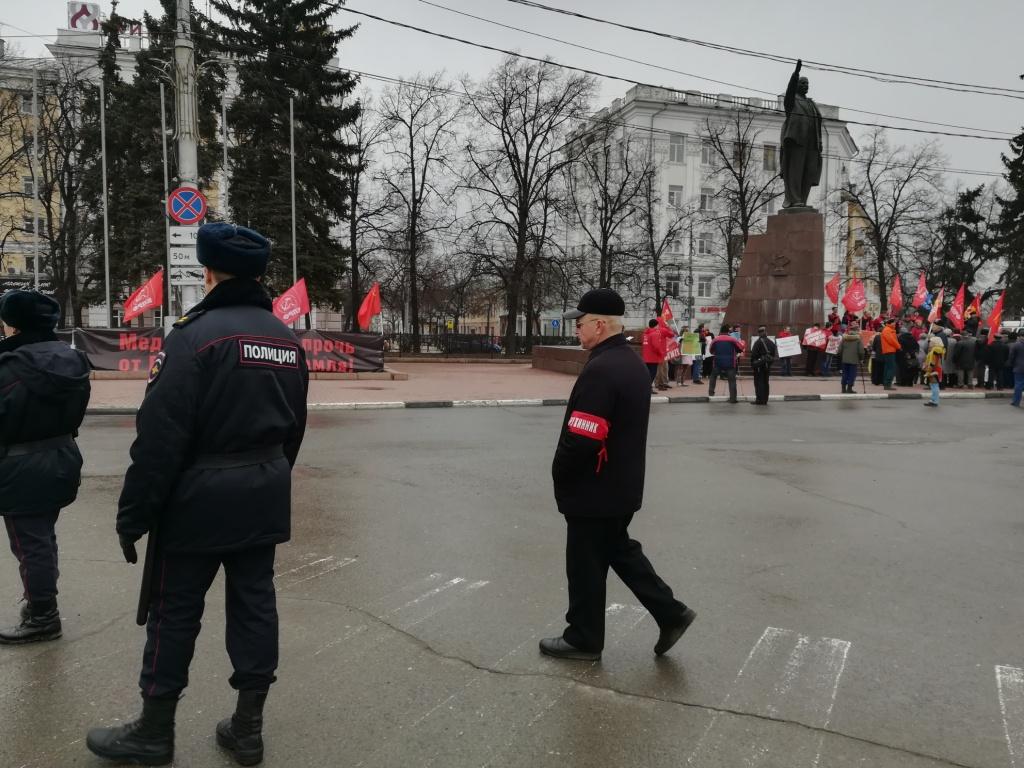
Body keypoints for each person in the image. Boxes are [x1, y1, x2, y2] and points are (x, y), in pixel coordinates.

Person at [86, 224, 310, 767]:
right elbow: (294, 429)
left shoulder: (193, 336)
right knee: (255, 605)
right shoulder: (287, 340)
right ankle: (247, 729)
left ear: (208, 270)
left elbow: (160, 437)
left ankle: (154, 732)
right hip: (263, 492)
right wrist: (267, 476)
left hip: (197, 500)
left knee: (175, 612)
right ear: (259, 273)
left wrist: (133, 514)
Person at [543, 287, 695, 662]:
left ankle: (583, 638)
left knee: (584, 567)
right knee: (618, 551)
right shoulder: (627, 362)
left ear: (598, 324)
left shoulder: (602, 369)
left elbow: (582, 437)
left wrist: (559, 474)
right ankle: (671, 613)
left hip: (594, 488)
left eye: (579, 323)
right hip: (618, 485)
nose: (576, 330)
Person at [0, 291, 90, 644]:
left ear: (12, 323)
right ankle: (39, 600)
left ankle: (43, 614)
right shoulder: (72, 360)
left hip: (20, 465)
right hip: (62, 457)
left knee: (29, 542)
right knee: (41, 535)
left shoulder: (10, 368)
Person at [780, 59, 823, 209]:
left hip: (812, 144)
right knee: (796, 172)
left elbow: (818, 122)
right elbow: (790, 90)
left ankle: (802, 201)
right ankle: (794, 199)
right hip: (797, 141)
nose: (805, 86)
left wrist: (820, 143)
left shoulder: (811, 104)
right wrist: (796, 74)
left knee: (809, 173)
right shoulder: (792, 101)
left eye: (807, 83)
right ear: (797, 84)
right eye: (802, 83)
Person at [708, 325, 745, 403]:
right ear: (728, 331)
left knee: (713, 377)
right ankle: (733, 398)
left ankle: (711, 394)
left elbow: (711, 350)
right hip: (730, 363)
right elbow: (740, 348)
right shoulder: (732, 339)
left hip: (717, 362)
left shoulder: (715, 340)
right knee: (732, 380)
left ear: (721, 331)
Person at [642, 319, 673, 393]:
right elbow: (656, 346)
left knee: (648, 374)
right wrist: (661, 353)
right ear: (656, 325)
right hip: (653, 358)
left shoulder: (645, 334)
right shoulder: (655, 334)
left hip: (646, 357)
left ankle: (647, 388)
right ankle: (649, 389)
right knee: (652, 374)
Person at [749, 326, 777, 405]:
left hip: (759, 366)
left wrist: (753, 364)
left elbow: (753, 355)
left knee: (759, 383)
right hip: (767, 366)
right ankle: (765, 399)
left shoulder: (758, 342)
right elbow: (773, 355)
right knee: (766, 382)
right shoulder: (771, 342)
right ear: (766, 333)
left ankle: (760, 400)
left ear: (759, 333)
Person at [837, 323, 863, 394]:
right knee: (852, 374)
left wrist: (841, 355)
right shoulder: (858, 339)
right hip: (854, 360)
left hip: (845, 359)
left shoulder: (844, 338)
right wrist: (861, 358)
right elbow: (861, 351)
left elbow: (839, 349)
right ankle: (849, 388)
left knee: (845, 373)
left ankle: (843, 389)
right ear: (856, 330)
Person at [922, 336, 945, 407]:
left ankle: (934, 401)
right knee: (933, 385)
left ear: (935, 342)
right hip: (936, 369)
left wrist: (929, 370)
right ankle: (933, 400)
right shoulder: (937, 349)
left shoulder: (936, 350)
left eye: (931, 342)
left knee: (934, 385)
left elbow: (933, 361)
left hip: (934, 369)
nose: (929, 343)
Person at [880, 318, 900, 390]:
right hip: (889, 350)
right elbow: (891, 340)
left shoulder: (888, 330)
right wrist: (898, 346)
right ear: (890, 323)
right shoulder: (887, 330)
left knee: (888, 367)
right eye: (893, 322)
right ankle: (887, 384)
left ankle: (886, 383)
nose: (895, 324)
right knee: (891, 368)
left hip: (889, 350)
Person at [1009, 332, 1024, 407]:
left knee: (1018, 385)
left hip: (1019, 368)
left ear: (1021, 336)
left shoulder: (1017, 345)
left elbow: (1011, 356)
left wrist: (1012, 364)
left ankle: (1016, 402)